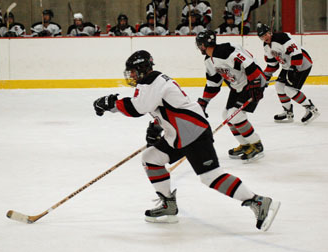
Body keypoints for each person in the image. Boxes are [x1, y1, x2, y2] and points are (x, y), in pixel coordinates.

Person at [92, 50, 280, 231]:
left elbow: (137, 108)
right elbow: (164, 107)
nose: (131, 76)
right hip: (179, 135)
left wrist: (110, 103)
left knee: (210, 177)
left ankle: (258, 201)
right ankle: (168, 204)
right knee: (151, 158)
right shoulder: (153, 81)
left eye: (133, 71)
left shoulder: (152, 81)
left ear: (142, 69)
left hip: (193, 133)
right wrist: (157, 127)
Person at [196, 30, 266, 162]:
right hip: (237, 87)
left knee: (236, 115)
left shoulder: (225, 51)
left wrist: (256, 83)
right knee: (226, 116)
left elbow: (249, 63)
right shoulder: (209, 61)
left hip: (251, 84)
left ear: (203, 45)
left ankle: (257, 145)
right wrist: (204, 102)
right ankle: (245, 144)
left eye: (200, 45)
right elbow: (213, 83)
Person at [257, 23, 320, 124]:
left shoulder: (282, 38)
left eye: (265, 35)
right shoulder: (266, 46)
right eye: (261, 37)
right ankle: (288, 112)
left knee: (289, 89)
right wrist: (265, 77)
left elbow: (297, 54)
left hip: (301, 64)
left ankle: (311, 109)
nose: (264, 38)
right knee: (278, 86)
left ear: (270, 32)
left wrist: (293, 68)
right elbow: (273, 65)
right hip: (288, 66)